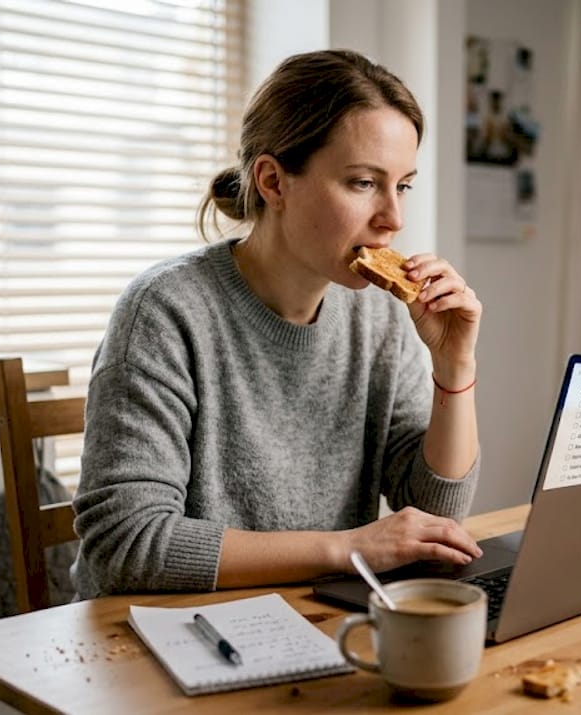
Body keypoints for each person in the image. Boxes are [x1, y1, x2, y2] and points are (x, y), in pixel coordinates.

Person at [70, 49, 484, 598]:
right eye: (364, 183)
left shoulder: (380, 316)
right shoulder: (165, 311)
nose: (394, 218)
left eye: (402, 185)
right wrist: (349, 548)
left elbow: (434, 515)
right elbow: (127, 543)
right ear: (273, 181)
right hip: (156, 634)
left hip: (309, 617)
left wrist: (454, 367)